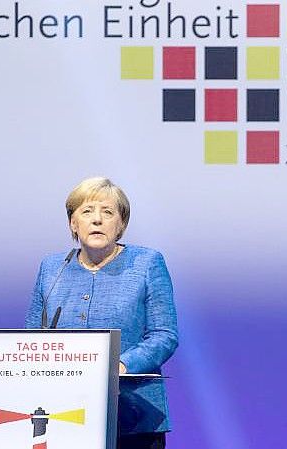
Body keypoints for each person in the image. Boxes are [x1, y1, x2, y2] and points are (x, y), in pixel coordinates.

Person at [25, 177, 178, 449]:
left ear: (121, 224)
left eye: (107, 212)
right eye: (87, 211)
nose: (97, 220)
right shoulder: (51, 268)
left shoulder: (147, 263)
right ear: (73, 223)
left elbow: (164, 335)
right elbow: (31, 338)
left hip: (133, 417)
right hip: (64, 415)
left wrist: (119, 366)